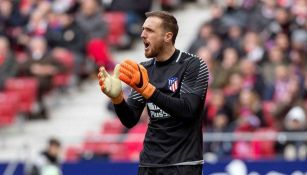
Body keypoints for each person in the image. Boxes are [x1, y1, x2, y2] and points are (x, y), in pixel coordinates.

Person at [98, 11, 209, 175]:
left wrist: (148, 90)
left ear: (167, 36)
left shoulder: (193, 64)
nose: (142, 34)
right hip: (149, 163)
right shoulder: (144, 69)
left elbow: (188, 111)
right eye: (143, 29)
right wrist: (118, 98)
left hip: (183, 164)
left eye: (149, 30)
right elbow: (130, 120)